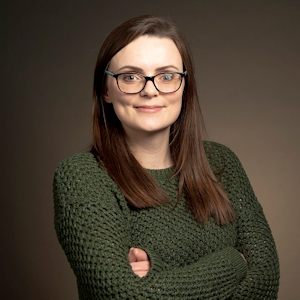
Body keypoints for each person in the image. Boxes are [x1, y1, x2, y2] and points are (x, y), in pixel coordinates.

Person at [53, 15, 280, 299]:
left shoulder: (222, 162)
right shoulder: (82, 175)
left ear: (185, 86)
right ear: (105, 90)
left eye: (167, 76)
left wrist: (158, 272)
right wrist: (234, 263)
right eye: (130, 77)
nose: (150, 90)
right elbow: (124, 296)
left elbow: (266, 283)